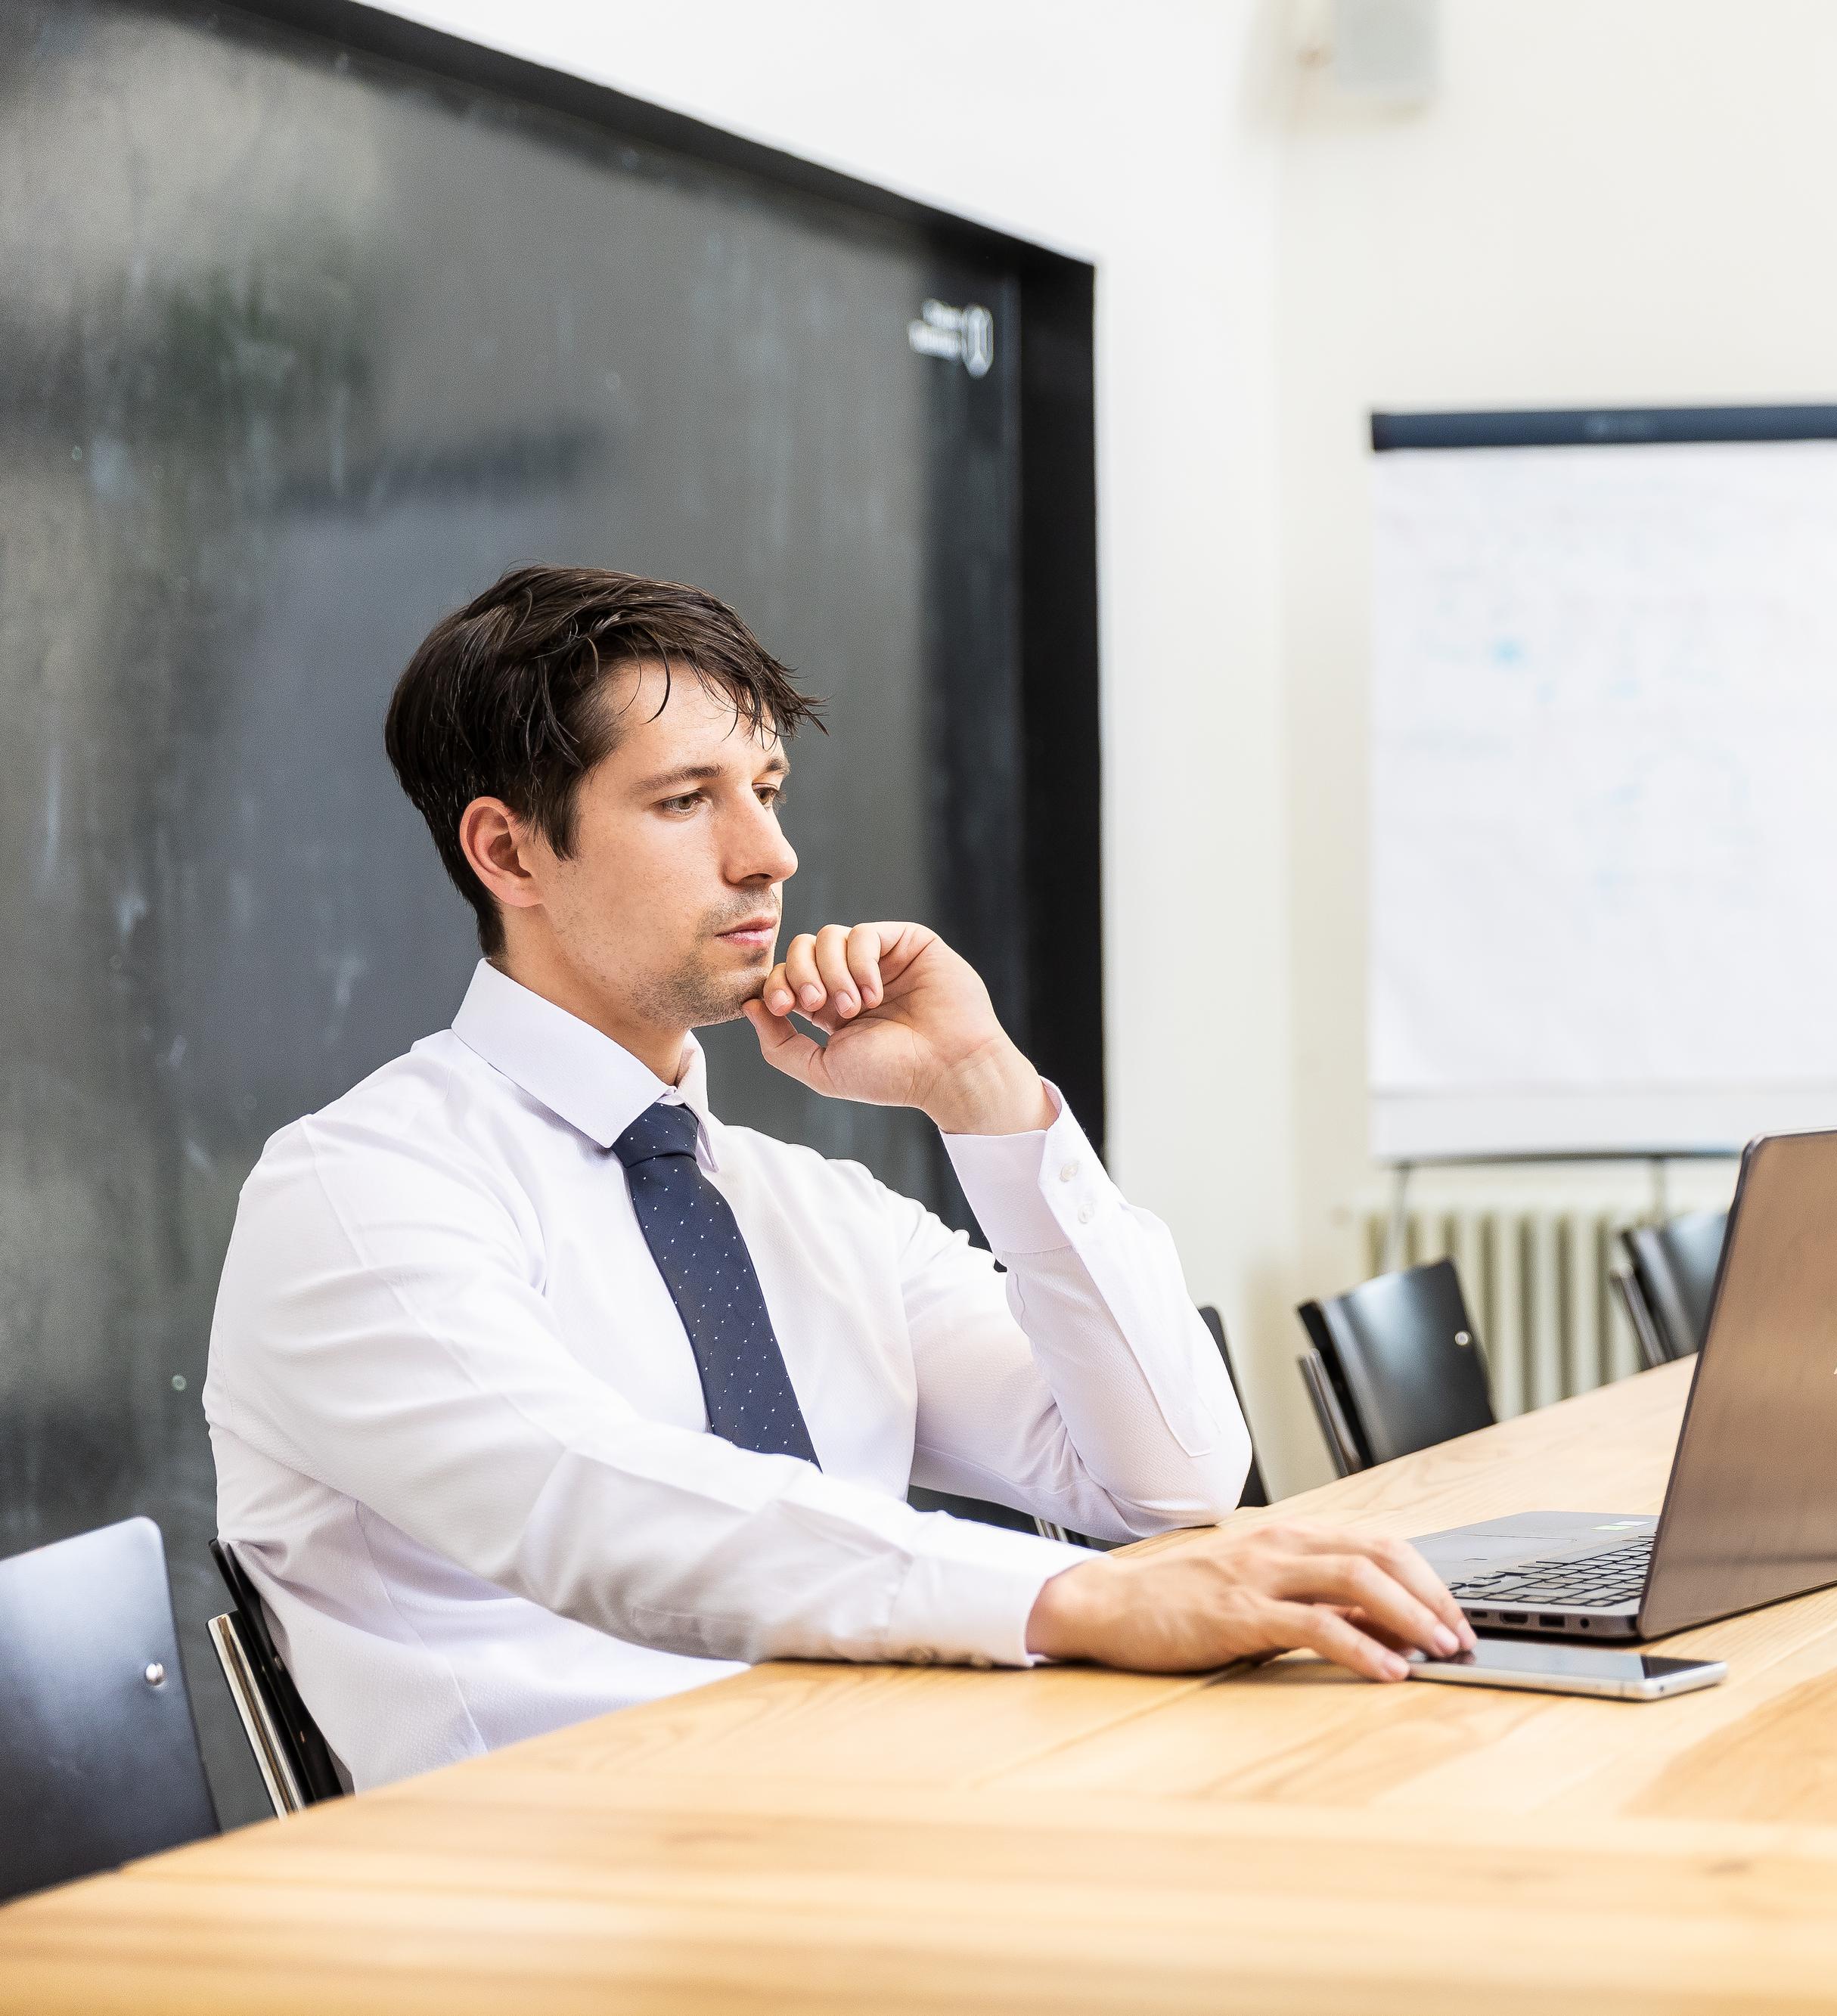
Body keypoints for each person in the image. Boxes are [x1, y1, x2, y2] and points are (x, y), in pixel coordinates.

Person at [205, 565, 1468, 1788]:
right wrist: (1063, 1596)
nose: (770, 855)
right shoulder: (355, 1196)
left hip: (872, 1813)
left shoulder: (801, 1206)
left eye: (767, 787)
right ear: (513, 853)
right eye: (687, 799)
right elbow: (592, 1497)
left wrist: (983, 1088)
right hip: (551, 1901)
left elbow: (1172, 1477)